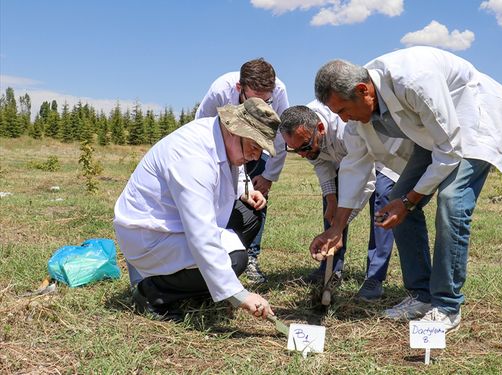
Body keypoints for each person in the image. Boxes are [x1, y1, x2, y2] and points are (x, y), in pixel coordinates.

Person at [310, 46, 502, 332]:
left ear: (364, 90)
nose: (342, 119)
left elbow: (449, 152)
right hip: (435, 135)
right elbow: (355, 167)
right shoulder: (360, 111)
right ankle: (422, 296)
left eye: (343, 110)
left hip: (473, 120)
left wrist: (409, 200)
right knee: (394, 201)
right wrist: (336, 228)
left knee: (452, 202)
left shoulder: (413, 80)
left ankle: (447, 305)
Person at [113, 98, 280, 322]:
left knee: (249, 216)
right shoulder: (192, 157)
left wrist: (245, 190)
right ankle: (151, 291)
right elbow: (201, 233)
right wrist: (239, 295)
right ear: (234, 131)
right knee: (235, 260)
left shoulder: (220, 136)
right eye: (254, 147)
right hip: (151, 236)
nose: (256, 156)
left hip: (176, 225)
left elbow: (235, 170)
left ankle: (196, 284)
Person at [279, 101, 412, 301]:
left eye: (305, 147)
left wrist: (339, 226)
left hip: (380, 159)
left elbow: (365, 182)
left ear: (321, 129)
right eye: (295, 150)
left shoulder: (345, 129)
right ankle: (331, 268)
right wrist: (331, 199)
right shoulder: (303, 132)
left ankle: (374, 277)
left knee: (382, 200)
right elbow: (321, 163)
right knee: (332, 207)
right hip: (346, 159)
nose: (302, 154)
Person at [195, 58, 290, 284]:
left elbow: (280, 136)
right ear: (239, 88)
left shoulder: (280, 91)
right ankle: (213, 246)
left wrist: (268, 177)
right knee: (217, 193)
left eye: (266, 100)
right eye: (255, 99)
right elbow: (201, 124)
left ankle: (250, 256)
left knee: (255, 198)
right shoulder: (220, 89)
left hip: (259, 146)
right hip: (222, 147)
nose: (262, 105)